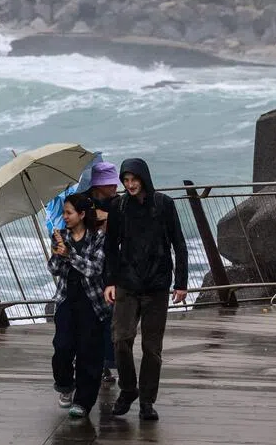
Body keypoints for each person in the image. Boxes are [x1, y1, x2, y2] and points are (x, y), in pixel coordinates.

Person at [103, 158, 188, 422]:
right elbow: (110, 247)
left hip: (157, 285)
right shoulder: (118, 207)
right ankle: (129, 390)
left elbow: (179, 243)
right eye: (125, 181)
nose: (129, 185)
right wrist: (109, 281)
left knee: (152, 348)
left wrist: (181, 283)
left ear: (144, 178)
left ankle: (147, 402)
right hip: (127, 284)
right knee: (120, 341)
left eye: (134, 180)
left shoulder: (163, 204)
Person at [48, 194, 111, 419]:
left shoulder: (97, 238)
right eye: (63, 213)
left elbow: (94, 269)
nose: (64, 217)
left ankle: (83, 402)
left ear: (82, 214)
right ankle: (65, 385)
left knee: (89, 353)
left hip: (91, 302)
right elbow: (54, 269)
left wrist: (70, 254)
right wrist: (57, 250)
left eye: (69, 213)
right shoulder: (60, 236)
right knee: (62, 347)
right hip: (66, 299)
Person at [86, 161, 120, 384]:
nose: (116, 187)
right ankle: (98, 364)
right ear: (99, 185)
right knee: (94, 317)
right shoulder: (85, 205)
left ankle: (107, 363)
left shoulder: (116, 203)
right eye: (111, 183)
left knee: (111, 316)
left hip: (112, 265)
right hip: (90, 266)